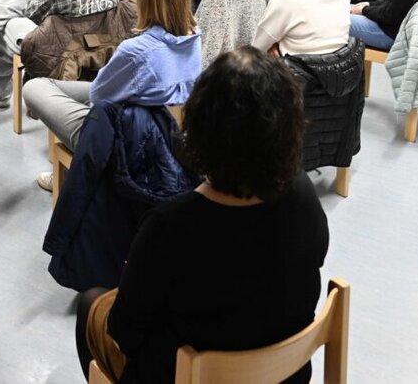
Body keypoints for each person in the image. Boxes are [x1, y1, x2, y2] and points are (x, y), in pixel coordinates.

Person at [75, 47, 329, 384]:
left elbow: (125, 333)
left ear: (199, 127)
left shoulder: (169, 227)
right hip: (286, 374)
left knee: (91, 304)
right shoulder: (304, 195)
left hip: (184, 376)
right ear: (289, 126)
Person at [23, 0, 201, 191]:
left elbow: (98, 96)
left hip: (124, 144)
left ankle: (69, 173)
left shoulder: (136, 51)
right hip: (163, 136)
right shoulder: (194, 36)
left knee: (34, 87)